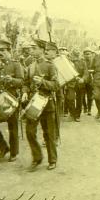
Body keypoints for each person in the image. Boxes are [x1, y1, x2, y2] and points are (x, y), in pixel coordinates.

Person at [22, 39, 60, 170]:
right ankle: (37, 158)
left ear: (42, 50)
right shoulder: (30, 66)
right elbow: (25, 83)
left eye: (34, 48)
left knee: (48, 133)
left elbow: (56, 85)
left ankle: (52, 160)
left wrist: (43, 81)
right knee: (29, 132)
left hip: (47, 103)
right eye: (31, 48)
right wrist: (25, 92)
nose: (31, 50)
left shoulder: (50, 66)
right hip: (34, 103)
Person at [82, 48, 94, 116]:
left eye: (89, 54)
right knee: (82, 95)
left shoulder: (93, 62)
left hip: (90, 81)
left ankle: (89, 109)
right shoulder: (82, 62)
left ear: (91, 55)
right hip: (83, 81)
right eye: (86, 54)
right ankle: (85, 107)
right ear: (84, 55)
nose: (87, 55)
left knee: (90, 96)